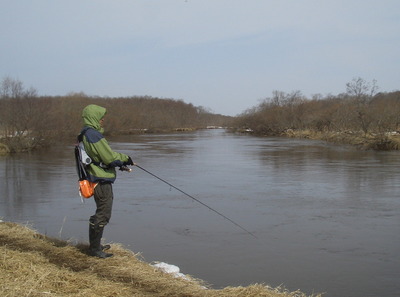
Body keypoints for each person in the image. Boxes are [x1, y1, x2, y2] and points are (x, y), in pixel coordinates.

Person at [79, 104, 134, 258]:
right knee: (103, 213)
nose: (103, 120)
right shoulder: (93, 135)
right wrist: (125, 158)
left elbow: (103, 156)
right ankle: (95, 250)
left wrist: (121, 161)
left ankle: (96, 246)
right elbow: (108, 157)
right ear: (94, 117)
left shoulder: (86, 133)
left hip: (96, 177)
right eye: (101, 117)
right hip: (100, 179)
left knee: (102, 212)